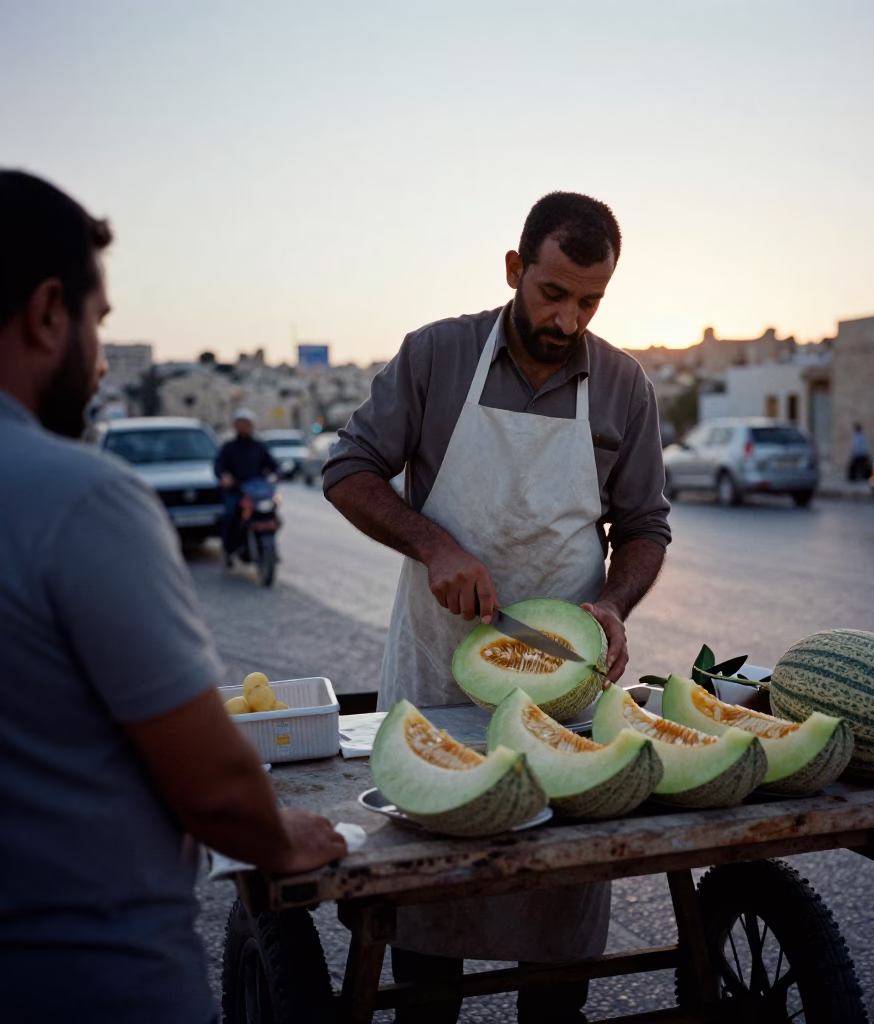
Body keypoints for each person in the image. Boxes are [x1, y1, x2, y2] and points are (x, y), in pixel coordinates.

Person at [0, 170, 348, 1024]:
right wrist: (282, 836)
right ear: (50, 312)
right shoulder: (81, 497)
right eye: (97, 322)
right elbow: (216, 788)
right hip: (91, 983)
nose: (94, 350)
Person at [324, 192, 671, 1023]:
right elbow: (349, 472)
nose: (567, 318)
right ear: (515, 270)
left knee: (556, 949)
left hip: (568, 696)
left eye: (590, 301)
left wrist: (616, 602)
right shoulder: (437, 355)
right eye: (552, 293)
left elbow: (645, 526)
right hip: (440, 680)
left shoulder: (624, 385)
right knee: (429, 950)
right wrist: (434, 545)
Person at [215, 408, 277, 563]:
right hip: (236, 491)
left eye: (247, 424)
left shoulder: (259, 446)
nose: (244, 427)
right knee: (230, 517)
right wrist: (224, 477)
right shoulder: (229, 447)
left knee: (272, 515)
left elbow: (272, 465)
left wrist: (278, 474)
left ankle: (267, 548)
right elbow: (219, 466)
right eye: (241, 424)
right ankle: (229, 549)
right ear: (235, 426)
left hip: (257, 492)